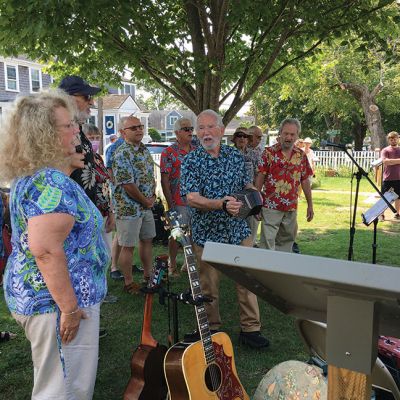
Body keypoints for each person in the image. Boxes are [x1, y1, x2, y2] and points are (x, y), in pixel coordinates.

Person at [0, 90, 109, 399]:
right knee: (64, 388)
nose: (77, 130)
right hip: (58, 303)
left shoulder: (34, 176)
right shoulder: (49, 182)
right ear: (44, 134)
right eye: (68, 126)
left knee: (57, 382)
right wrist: (70, 309)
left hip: (49, 300)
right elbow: (46, 250)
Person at [180, 109, 269, 349]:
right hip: (206, 234)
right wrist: (221, 204)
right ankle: (211, 328)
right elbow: (192, 198)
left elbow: (246, 184)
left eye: (210, 127)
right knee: (208, 285)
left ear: (221, 130)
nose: (205, 132)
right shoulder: (191, 160)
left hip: (238, 230)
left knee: (247, 281)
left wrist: (254, 199)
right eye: (201, 128)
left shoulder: (236, 156)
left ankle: (251, 329)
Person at [59, 76, 115, 320]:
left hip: (93, 215)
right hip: (72, 220)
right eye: (86, 97)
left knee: (93, 269)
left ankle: (91, 318)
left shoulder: (79, 131)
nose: (91, 102)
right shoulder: (59, 134)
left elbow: (96, 173)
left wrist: (106, 209)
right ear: (69, 99)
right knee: (76, 273)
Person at [256, 118, 314, 252]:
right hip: (270, 206)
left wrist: (310, 204)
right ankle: (265, 272)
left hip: (291, 208)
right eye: (286, 133)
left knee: (286, 246)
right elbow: (260, 176)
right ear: (280, 133)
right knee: (267, 246)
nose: (288, 137)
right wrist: (256, 203)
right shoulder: (268, 153)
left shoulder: (301, 155)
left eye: (292, 134)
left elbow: (305, 180)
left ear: (297, 136)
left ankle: (279, 272)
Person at [112, 115, 156, 293]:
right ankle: (129, 282)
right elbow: (127, 184)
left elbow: (149, 175)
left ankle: (148, 276)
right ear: (123, 132)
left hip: (147, 205)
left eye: (140, 126)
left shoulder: (144, 149)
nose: (139, 129)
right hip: (129, 208)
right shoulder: (122, 153)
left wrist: (152, 195)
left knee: (147, 240)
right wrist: (145, 200)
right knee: (128, 246)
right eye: (134, 128)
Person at [160, 117, 195, 276]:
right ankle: (171, 264)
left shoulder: (197, 150)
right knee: (177, 234)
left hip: (196, 200)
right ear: (176, 132)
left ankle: (188, 264)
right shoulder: (168, 152)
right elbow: (164, 179)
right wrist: (170, 203)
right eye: (186, 129)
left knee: (193, 233)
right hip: (178, 200)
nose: (190, 131)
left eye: (191, 128)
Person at [381, 131, 400, 219]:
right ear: (389, 140)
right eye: (391, 139)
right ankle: (381, 214)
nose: (393, 140)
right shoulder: (385, 150)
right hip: (387, 178)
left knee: (398, 197)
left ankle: (396, 213)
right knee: (384, 197)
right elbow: (385, 161)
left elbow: (389, 161)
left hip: (398, 178)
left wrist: (391, 161)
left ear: (398, 139)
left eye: (395, 138)